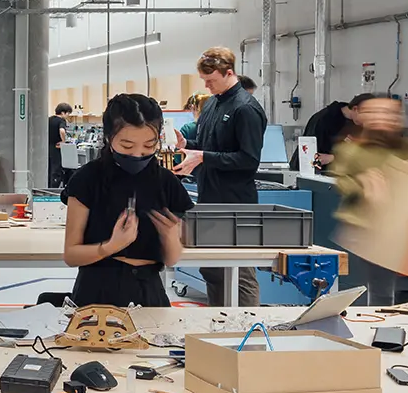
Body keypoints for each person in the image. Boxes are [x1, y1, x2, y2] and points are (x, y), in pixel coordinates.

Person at [62, 94, 191, 307]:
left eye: (149, 146)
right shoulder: (87, 179)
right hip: (97, 293)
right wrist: (111, 246)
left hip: (149, 294)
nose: (138, 154)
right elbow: (71, 254)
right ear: (108, 138)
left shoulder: (166, 183)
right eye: (127, 146)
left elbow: (171, 260)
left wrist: (170, 237)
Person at [178, 46, 268, 307]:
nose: (207, 86)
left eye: (211, 80)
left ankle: (247, 329)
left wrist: (204, 157)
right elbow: (211, 145)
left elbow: (249, 159)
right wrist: (189, 145)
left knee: (240, 273)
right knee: (213, 270)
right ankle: (218, 324)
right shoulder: (213, 104)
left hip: (236, 204)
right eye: (204, 81)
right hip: (210, 200)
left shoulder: (246, 109)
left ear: (229, 73)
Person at [329, 94, 408, 306]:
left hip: (395, 233)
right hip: (360, 233)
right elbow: (341, 181)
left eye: (388, 113)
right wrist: (363, 185)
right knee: (355, 295)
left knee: (388, 297)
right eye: (374, 112)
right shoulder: (350, 150)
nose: (382, 118)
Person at [293, 97, 358, 171]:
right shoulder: (323, 121)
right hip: (315, 173)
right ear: (355, 109)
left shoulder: (355, 122)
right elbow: (311, 157)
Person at [49, 102, 74, 193]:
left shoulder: (49, 119)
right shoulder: (61, 121)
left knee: (49, 169)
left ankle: (47, 188)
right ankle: (53, 190)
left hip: (47, 147)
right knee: (56, 169)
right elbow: (62, 131)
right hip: (56, 147)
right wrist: (63, 141)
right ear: (63, 113)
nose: (68, 116)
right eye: (68, 113)